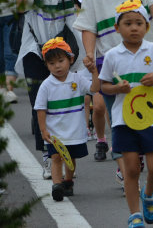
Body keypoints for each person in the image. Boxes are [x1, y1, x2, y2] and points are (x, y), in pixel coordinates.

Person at [73, 0, 153, 178]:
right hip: (110, 61)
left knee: (146, 109)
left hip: (144, 58)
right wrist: (90, 54)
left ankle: (146, 153)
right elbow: (88, 25)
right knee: (120, 117)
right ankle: (126, 164)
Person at [98, 0, 153, 227]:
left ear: (146, 26)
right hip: (123, 119)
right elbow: (102, 86)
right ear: (117, 28)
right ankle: (134, 215)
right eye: (128, 23)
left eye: (139, 23)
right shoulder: (112, 55)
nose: (134, 28)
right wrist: (117, 89)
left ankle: (149, 195)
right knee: (131, 169)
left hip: (152, 118)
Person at [14, 0, 87, 179]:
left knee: (65, 100)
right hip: (35, 47)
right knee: (40, 102)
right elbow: (21, 6)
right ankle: (48, 156)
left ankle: (66, 155)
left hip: (64, 48)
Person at [35, 38, 100, 201]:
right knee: (56, 157)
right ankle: (57, 186)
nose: (57, 66)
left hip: (74, 130)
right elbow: (40, 109)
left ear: (70, 59)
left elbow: (94, 89)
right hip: (55, 133)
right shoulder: (46, 85)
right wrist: (43, 130)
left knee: (70, 158)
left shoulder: (77, 79)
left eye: (61, 61)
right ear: (46, 65)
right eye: (51, 63)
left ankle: (68, 182)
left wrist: (94, 72)